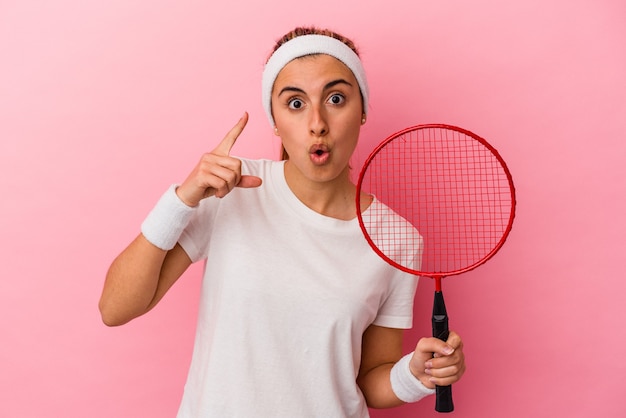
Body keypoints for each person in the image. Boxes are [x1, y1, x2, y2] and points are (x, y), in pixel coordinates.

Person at [99, 26, 466, 417]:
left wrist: (416, 375)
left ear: (362, 111)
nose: (317, 123)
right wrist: (182, 200)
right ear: (274, 120)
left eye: (336, 98)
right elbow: (115, 309)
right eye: (295, 104)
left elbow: (368, 380)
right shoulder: (230, 190)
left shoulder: (398, 240)